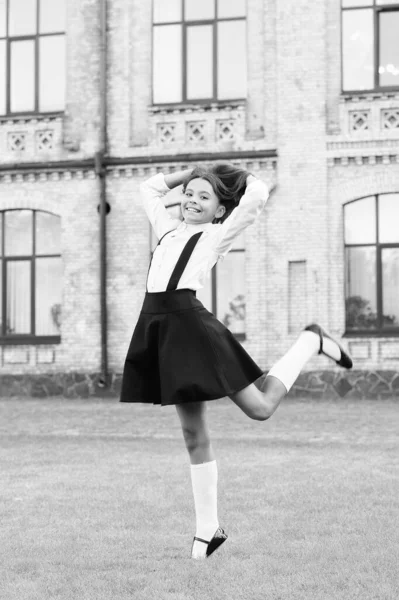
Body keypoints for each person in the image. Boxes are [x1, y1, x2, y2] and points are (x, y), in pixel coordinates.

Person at [120, 163, 353, 560]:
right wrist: (190, 174)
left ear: (219, 211)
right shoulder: (166, 228)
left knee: (260, 408)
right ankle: (207, 530)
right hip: (159, 330)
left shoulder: (217, 236)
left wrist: (228, 173)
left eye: (204, 197)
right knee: (193, 435)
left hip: (192, 330)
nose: (192, 200)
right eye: (189, 194)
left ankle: (309, 341)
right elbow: (148, 188)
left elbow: (258, 195)